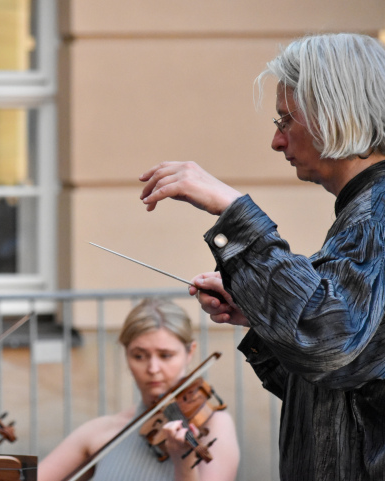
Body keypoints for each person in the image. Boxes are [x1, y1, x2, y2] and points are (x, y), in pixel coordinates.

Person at [138, 33, 385, 480]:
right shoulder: (362, 213)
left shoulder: (377, 214)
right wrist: (259, 313)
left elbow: (331, 345)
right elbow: (328, 383)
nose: (276, 141)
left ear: (336, 114)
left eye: (286, 120)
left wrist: (235, 213)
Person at [38, 298, 239, 481]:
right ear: (126, 356)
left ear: (190, 353)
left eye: (165, 355)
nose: (152, 369)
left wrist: (183, 461)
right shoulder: (103, 431)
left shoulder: (215, 426)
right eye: (139, 356)